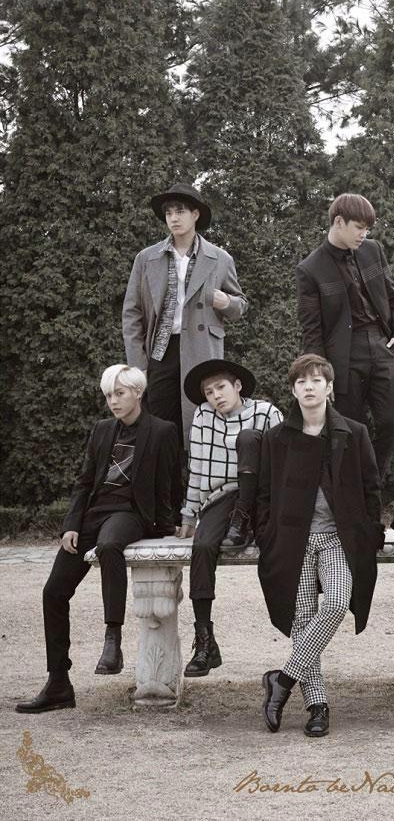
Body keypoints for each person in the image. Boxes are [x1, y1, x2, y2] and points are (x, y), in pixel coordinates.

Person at [16, 365, 178, 714]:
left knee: (109, 545)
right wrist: (71, 524)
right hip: (93, 514)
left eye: (120, 393)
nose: (113, 401)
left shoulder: (162, 431)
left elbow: (169, 483)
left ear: (138, 392)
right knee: (53, 591)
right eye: (108, 395)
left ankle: (112, 639)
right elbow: (84, 482)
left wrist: (168, 526)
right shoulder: (102, 430)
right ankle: (58, 683)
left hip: (131, 514)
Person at [257, 354, 384, 737]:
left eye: (316, 380)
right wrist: (267, 534)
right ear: (293, 390)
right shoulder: (276, 438)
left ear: (329, 387)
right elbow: (264, 492)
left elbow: (372, 487)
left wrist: (371, 532)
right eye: (301, 381)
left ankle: (282, 680)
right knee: (302, 617)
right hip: (292, 542)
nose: (308, 387)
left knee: (337, 603)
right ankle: (317, 705)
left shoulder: (353, 432)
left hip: (336, 540)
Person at [122, 182, 248, 520]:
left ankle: (204, 508)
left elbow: (240, 305)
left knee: (202, 428)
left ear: (195, 215)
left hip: (203, 352)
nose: (174, 218)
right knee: (161, 431)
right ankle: (167, 510)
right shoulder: (146, 258)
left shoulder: (219, 258)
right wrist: (137, 365)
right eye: (168, 212)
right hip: (161, 353)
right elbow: (132, 313)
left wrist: (226, 301)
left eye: (180, 211)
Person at [176, 358, 282, 677]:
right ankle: (205, 641)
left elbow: (286, 459)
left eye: (220, 387)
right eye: (209, 392)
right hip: (222, 497)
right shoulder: (203, 416)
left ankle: (243, 522)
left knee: (248, 439)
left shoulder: (266, 412)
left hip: (261, 495)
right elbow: (197, 468)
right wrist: (189, 515)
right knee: (203, 546)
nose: (216, 396)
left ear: (237, 386)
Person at [296, 192, 394, 484]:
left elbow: (393, 297)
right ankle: (353, 493)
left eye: (367, 228)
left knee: (390, 423)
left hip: (383, 346)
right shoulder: (310, 269)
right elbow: (312, 330)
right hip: (343, 358)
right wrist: (321, 374)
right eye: (359, 227)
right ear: (338, 222)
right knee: (348, 430)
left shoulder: (373, 250)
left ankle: (373, 483)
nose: (364, 234)